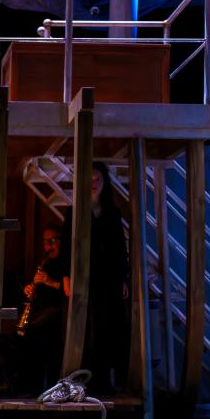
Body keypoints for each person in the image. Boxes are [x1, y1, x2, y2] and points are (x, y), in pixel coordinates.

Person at [61, 162, 130, 395]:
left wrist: (123, 277)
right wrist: (66, 276)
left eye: (98, 179)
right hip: (85, 277)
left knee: (109, 327)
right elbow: (66, 247)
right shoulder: (75, 212)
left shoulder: (112, 212)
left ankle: (105, 380)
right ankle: (84, 379)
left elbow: (120, 248)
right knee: (88, 327)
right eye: (90, 180)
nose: (94, 184)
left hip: (108, 277)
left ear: (104, 182)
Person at [10, 226, 66, 394]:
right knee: (18, 334)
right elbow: (39, 293)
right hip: (41, 311)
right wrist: (30, 290)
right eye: (45, 242)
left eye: (52, 241)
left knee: (31, 331)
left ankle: (34, 384)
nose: (48, 246)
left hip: (58, 312)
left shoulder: (67, 263)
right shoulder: (45, 263)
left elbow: (71, 293)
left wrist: (50, 282)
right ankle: (22, 383)